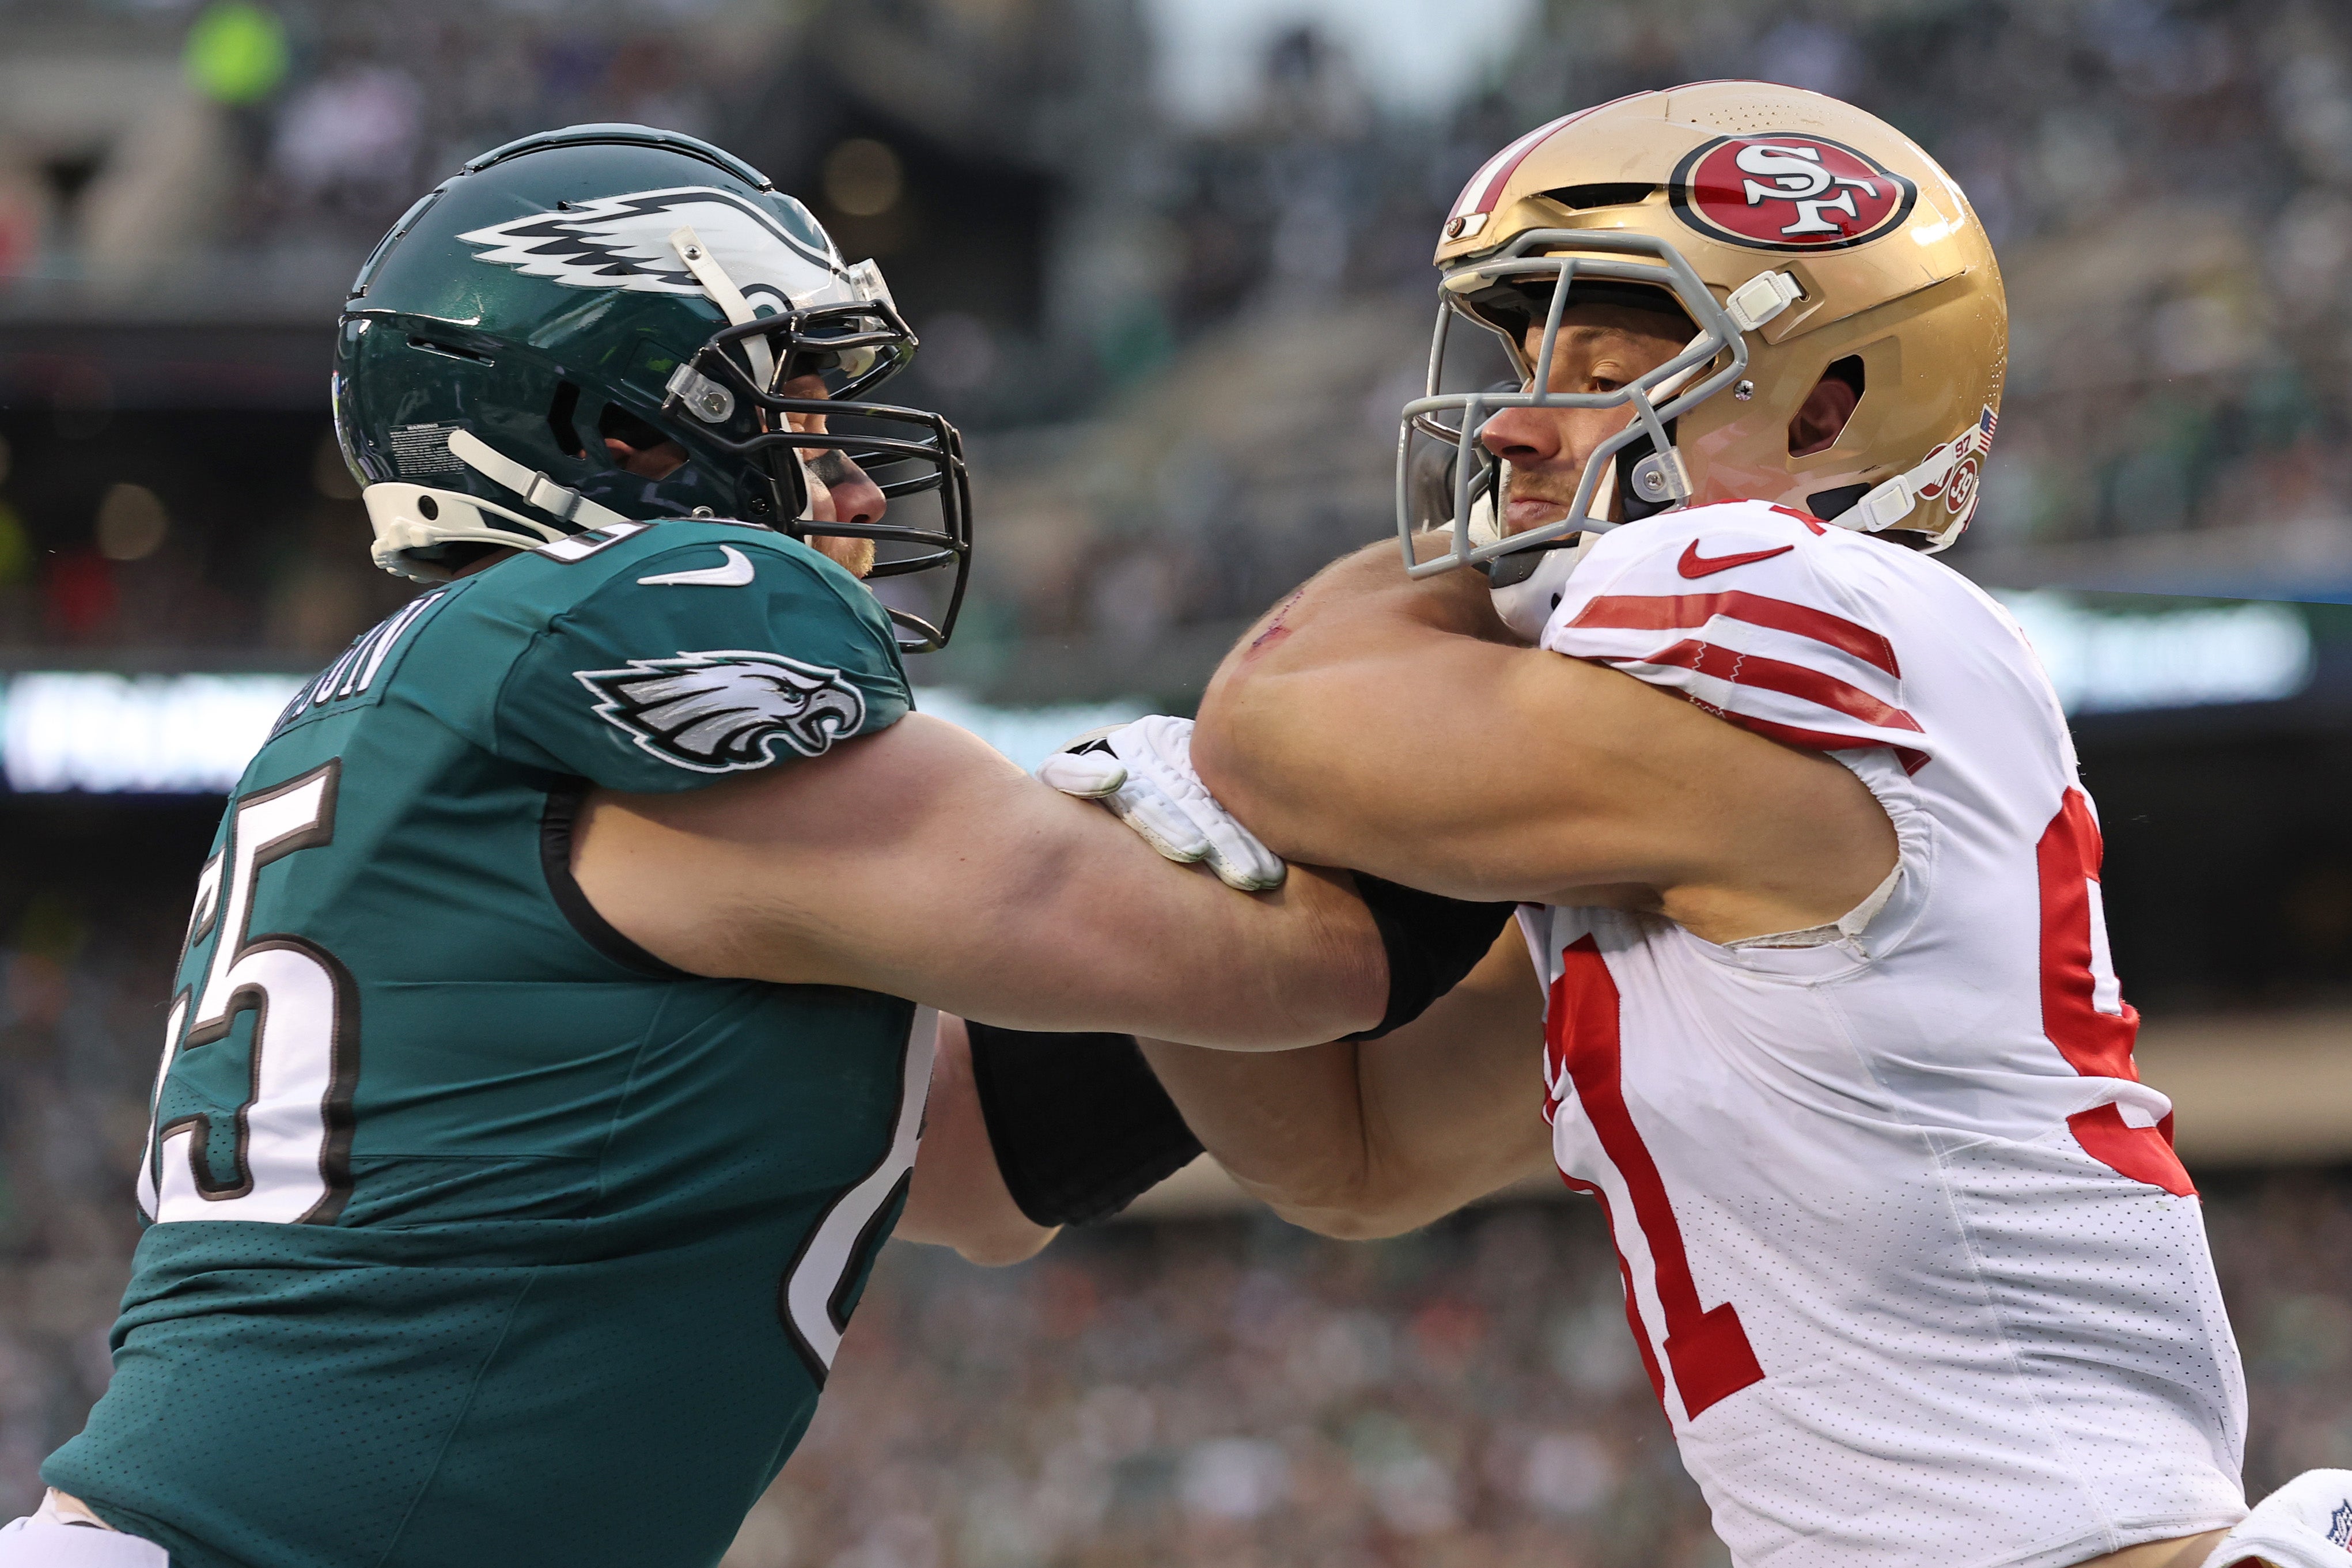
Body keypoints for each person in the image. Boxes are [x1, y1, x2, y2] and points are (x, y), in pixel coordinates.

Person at [0, 125, 1500, 1568]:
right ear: (614, 427)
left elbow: (982, 1161)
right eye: (787, 403)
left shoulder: (423, 708)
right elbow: (1283, 960)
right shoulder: (634, 602)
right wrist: (1518, 684)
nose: (850, 483)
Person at [1048, 81, 2336, 1568]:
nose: (1515, 425)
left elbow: (1274, 729)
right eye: (1521, 359)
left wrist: (1409, 628)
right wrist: (1157, 901)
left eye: (1597, 366)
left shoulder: (1815, 594)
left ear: (1823, 407)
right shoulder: (1670, 804)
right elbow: (1358, 1158)